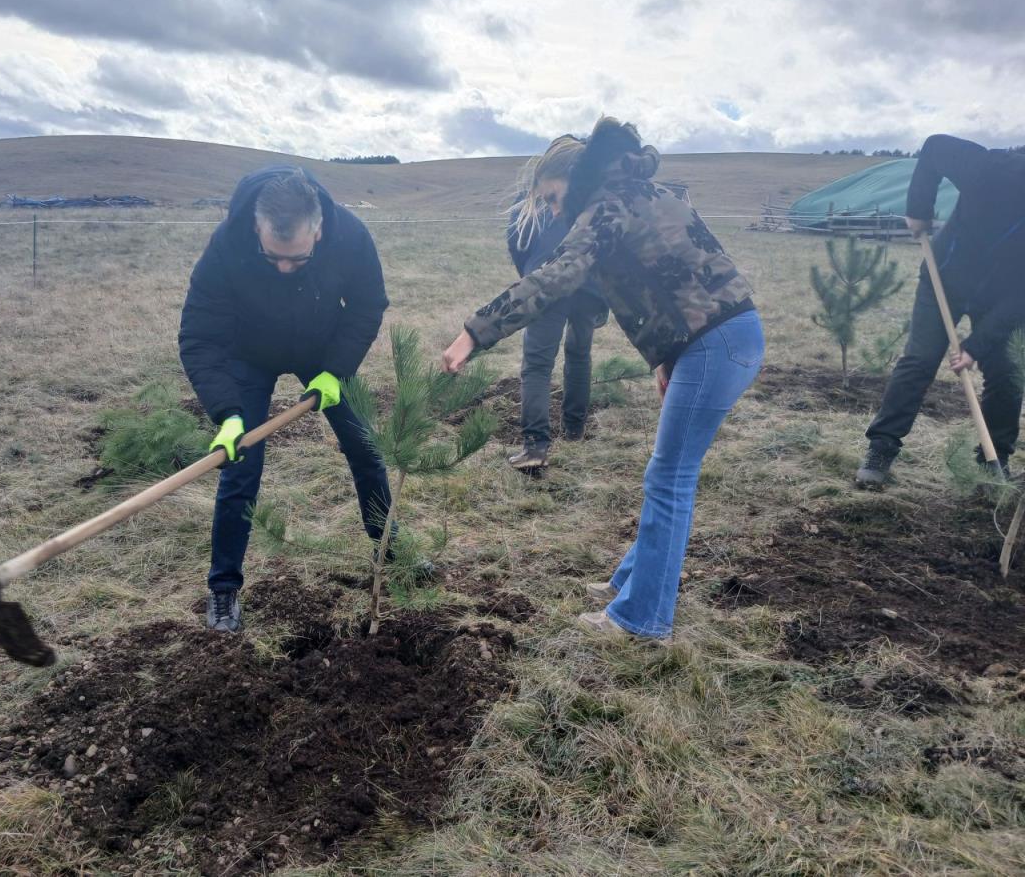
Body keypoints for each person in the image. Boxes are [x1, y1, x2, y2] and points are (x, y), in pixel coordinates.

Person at [441, 118, 763, 640]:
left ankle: (641, 620)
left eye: (550, 196)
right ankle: (630, 584)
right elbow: (678, 272)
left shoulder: (607, 205)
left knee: (670, 479)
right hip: (719, 338)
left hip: (718, 342)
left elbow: (558, 274)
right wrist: (666, 356)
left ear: (575, 177)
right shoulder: (645, 191)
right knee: (668, 474)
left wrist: (475, 332)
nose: (550, 209)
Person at [179, 166, 392, 633]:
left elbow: (367, 305)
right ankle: (223, 590)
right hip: (248, 357)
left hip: (322, 351)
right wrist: (227, 413)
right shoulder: (226, 245)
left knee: (366, 450)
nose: (282, 268)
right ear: (257, 226)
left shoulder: (350, 236)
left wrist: (336, 372)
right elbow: (199, 336)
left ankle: (391, 557)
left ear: (317, 230)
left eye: (296, 259)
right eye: (271, 255)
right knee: (240, 470)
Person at [857, 135, 1025, 488]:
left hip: (1001, 297)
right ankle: (881, 448)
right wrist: (919, 210)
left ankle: (994, 460)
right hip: (944, 278)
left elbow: (1019, 297)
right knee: (919, 360)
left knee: (1007, 372)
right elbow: (935, 147)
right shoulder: (991, 169)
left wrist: (975, 347)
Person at [506, 179, 608, 469]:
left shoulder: (533, 195)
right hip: (588, 287)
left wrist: (530, 275)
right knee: (579, 354)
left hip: (546, 283)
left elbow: (516, 242)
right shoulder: (591, 194)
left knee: (537, 364)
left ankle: (535, 446)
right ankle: (574, 430)